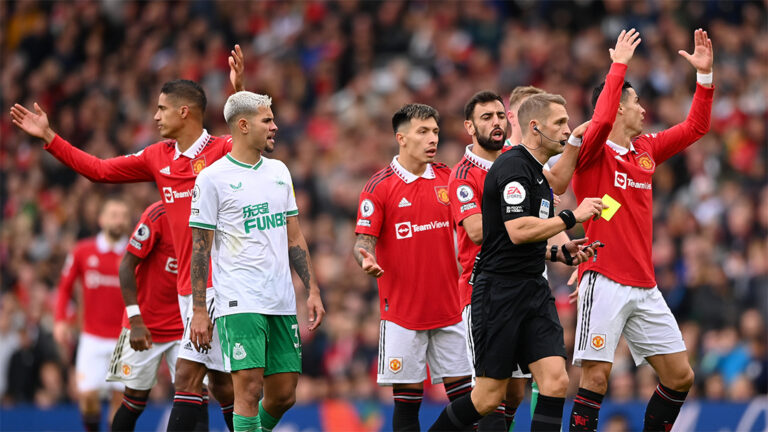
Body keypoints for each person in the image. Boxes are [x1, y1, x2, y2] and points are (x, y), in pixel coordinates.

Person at [10, 45, 247, 432]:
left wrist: (240, 93)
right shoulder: (158, 156)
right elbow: (101, 171)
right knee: (212, 385)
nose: (154, 116)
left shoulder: (222, 150)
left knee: (198, 383)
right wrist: (50, 137)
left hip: (223, 285)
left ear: (183, 112)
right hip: (187, 293)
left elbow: (255, 140)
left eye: (161, 109)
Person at [429, 93, 606, 432]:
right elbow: (512, 231)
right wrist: (570, 216)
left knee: (555, 381)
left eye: (501, 114)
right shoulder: (505, 168)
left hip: (533, 288)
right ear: (535, 128)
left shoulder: (533, 171)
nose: (567, 128)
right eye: (561, 124)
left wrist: (557, 252)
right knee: (489, 398)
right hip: (496, 292)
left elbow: (527, 228)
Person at [568, 28, 714, 432]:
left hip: (644, 284)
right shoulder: (591, 150)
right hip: (605, 279)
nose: (643, 109)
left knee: (680, 376)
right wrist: (619, 67)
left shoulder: (645, 150)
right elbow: (599, 120)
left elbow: (696, 128)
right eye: (635, 102)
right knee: (596, 378)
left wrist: (704, 78)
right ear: (617, 107)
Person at [188, 91, 325, 432]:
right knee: (248, 390)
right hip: (239, 299)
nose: (275, 127)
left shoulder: (279, 171)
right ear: (244, 125)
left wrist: (313, 290)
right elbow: (200, 249)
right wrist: (200, 310)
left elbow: (294, 237)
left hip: (279, 299)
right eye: (268, 120)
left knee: (284, 395)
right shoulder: (211, 179)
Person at [353, 103, 474, 431]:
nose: (432, 137)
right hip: (403, 315)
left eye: (435, 131)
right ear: (401, 138)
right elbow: (362, 241)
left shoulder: (450, 179)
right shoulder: (380, 186)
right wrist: (365, 257)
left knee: (469, 404)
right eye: (423, 131)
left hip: (450, 310)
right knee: (407, 406)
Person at [54, 197, 131, 431]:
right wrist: (60, 321)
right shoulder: (82, 251)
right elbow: (65, 287)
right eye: (113, 215)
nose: (119, 220)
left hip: (125, 339)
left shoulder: (135, 253)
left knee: (120, 402)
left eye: (123, 216)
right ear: (101, 219)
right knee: (87, 396)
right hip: (92, 337)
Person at [108, 201, 183, 431]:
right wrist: (135, 319)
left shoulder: (211, 211)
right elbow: (126, 266)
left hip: (186, 325)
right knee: (133, 400)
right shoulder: (158, 214)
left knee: (195, 394)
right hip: (144, 325)